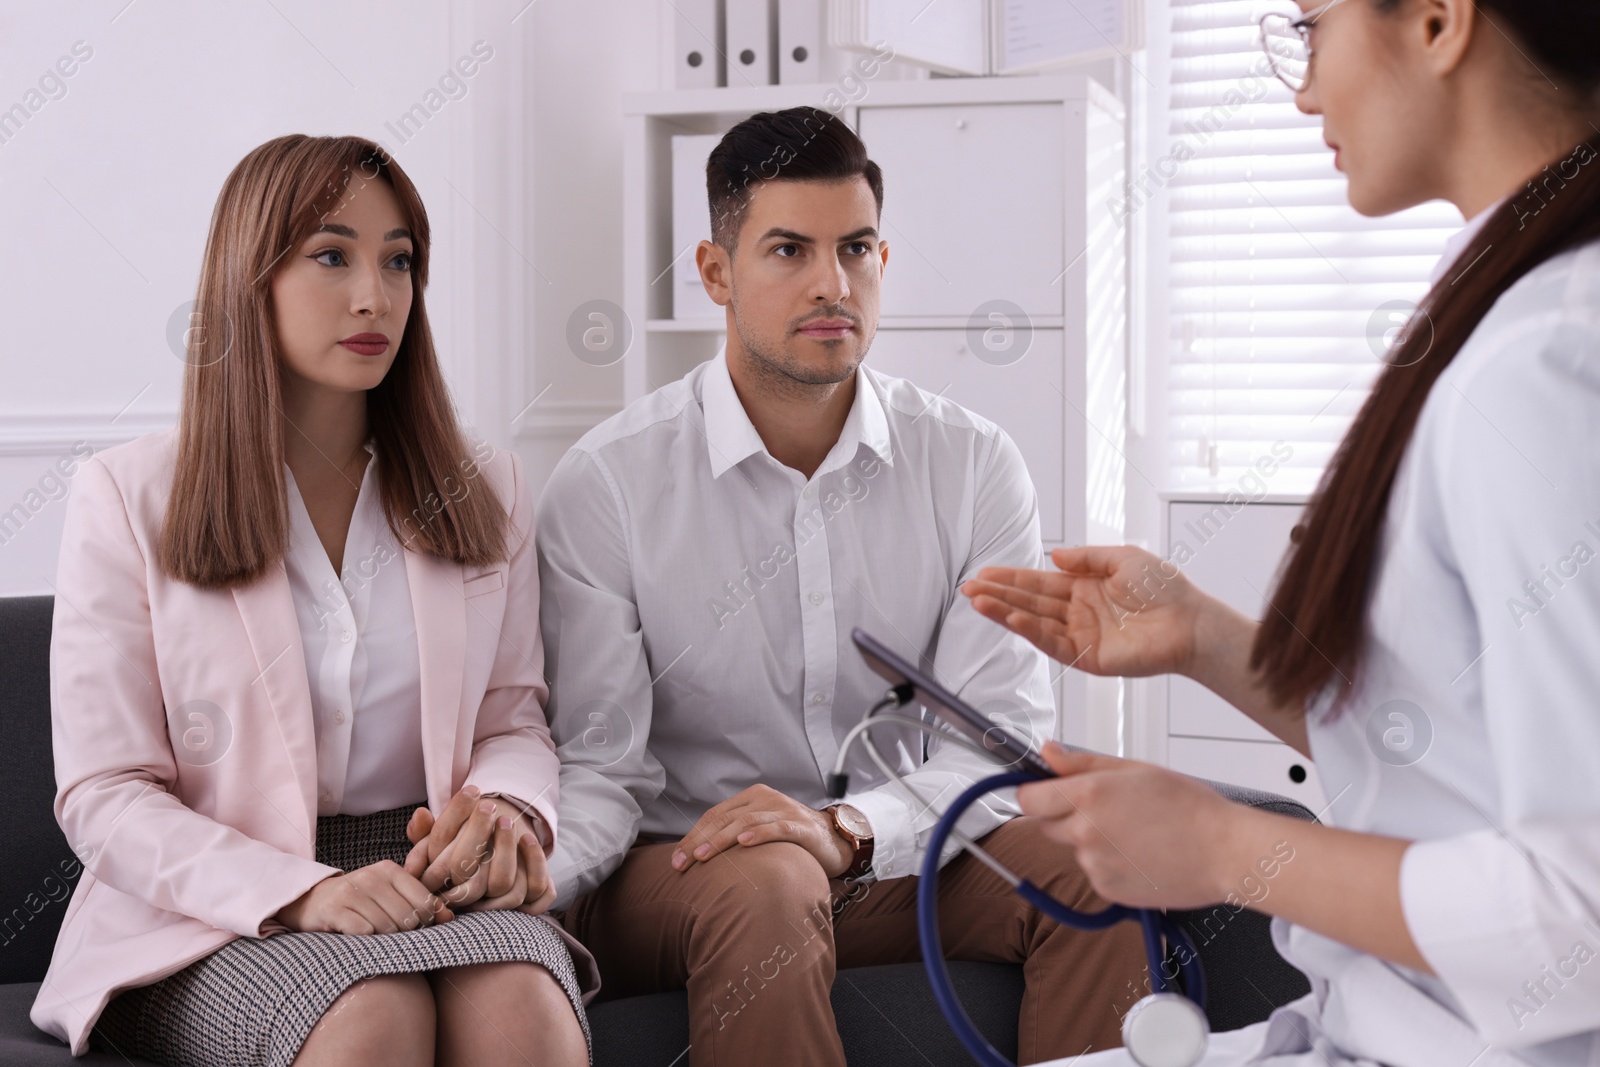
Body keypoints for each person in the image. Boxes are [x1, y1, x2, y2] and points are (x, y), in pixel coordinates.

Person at [963, 1, 1600, 1063]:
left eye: (1310, 28)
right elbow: (1456, 752)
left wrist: (1221, 846)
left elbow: (1578, 907)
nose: (1301, 88)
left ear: (1439, 22)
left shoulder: (1543, 365)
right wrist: (1206, 637)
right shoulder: (1512, 308)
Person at [535, 106, 1146, 1065]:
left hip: (883, 854)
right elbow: (602, 770)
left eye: (855, 248)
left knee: (1096, 860)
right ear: (715, 272)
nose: (832, 284)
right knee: (769, 875)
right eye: (788, 249)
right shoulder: (607, 484)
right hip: (684, 871)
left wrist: (850, 830)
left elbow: (998, 740)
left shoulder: (973, 463)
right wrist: (536, 878)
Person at [31, 134, 596, 1067]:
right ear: (250, 276)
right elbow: (106, 792)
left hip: (425, 876)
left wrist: (504, 808)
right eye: (332, 255)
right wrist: (297, 891)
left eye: (399, 260)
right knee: (373, 1018)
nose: (375, 295)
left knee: (523, 1018)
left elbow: (513, 719)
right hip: (207, 908)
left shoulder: (487, 486)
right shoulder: (127, 497)